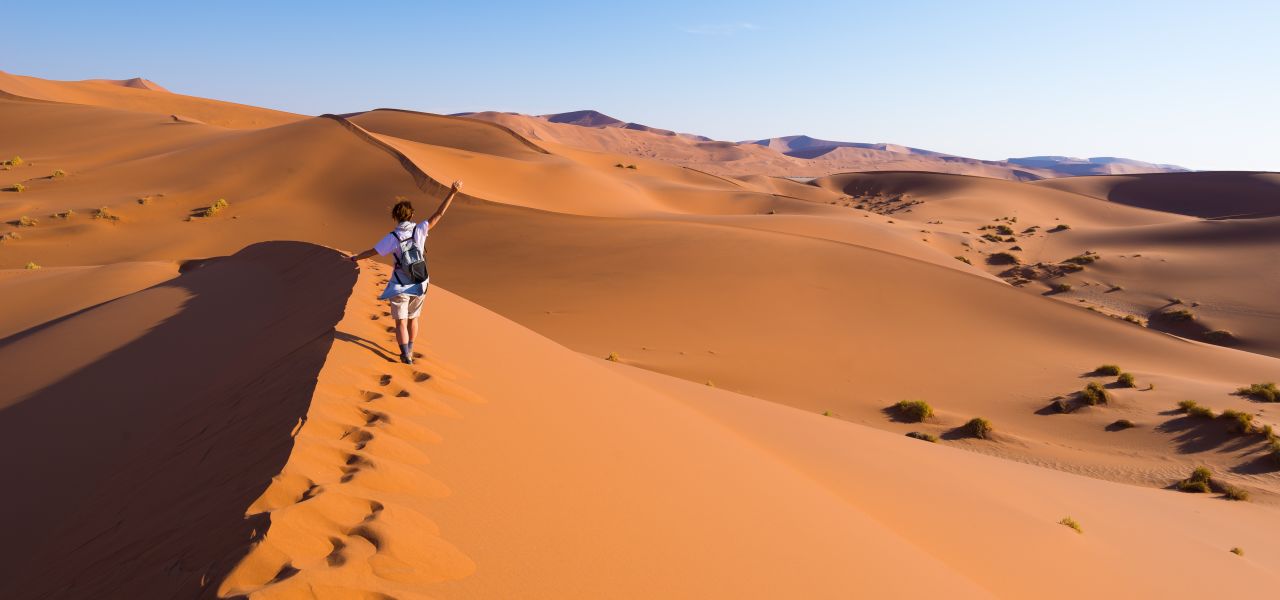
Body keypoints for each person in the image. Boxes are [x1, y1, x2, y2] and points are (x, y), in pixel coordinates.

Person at [349, 181, 462, 364]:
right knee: (413, 318)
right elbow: (439, 214)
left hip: (400, 284)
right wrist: (452, 193)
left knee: (401, 322)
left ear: (395, 217)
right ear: (411, 215)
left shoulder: (392, 237)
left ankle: (405, 355)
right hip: (421, 281)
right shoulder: (420, 229)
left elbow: (373, 252)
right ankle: (410, 347)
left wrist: (355, 258)